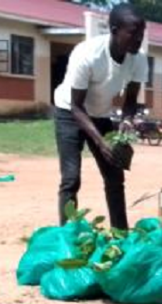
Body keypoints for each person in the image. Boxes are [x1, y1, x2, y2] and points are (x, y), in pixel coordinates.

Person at [53, 4, 147, 230]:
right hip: (69, 112)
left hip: (100, 114)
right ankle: (69, 236)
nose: (138, 40)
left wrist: (126, 123)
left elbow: (131, 100)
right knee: (71, 179)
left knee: (115, 176)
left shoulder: (138, 58)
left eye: (141, 34)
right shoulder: (87, 54)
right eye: (133, 34)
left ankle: (120, 234)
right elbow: (76, 106)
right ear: (114, 30)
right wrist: (101, 142)